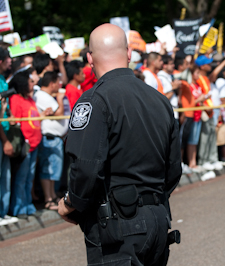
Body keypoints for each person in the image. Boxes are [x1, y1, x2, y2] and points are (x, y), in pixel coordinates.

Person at [58, 24, 181, 266]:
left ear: (89, 59)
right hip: (157, 218)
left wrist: (72, 203)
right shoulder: (159, 100)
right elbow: (174, 169)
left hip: (117, 225)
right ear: (128, 54)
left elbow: (85, 167)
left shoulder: (94, 100)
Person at [9, 68, 52, 218]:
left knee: (29, 178)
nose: (32, 84)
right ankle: (18, 208)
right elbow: (15, 121)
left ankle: (28, 205)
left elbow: (32, 117)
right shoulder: (15, 99)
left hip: (34, 144)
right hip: (25, 145)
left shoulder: (29, 99)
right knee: (21, 178)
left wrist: (43, 114)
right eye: (29, 82)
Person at [33, 71, 68, 210]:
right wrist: (60, 99)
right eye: (57, 83)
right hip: (49, 138)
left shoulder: (45, 95)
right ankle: (48, 199)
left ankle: (52, 195)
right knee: (48, 169)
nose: (59, 86)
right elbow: (58, 113)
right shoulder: (41, 95)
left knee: (54, 169)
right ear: (52, 83)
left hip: (54, 138)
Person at [0, 47, 14, 224]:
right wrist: (5, 141)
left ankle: (3, 212)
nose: (11, 61)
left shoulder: (3, 79)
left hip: (5, 132)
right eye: (8, 59)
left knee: (5, 175)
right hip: (1, 136)